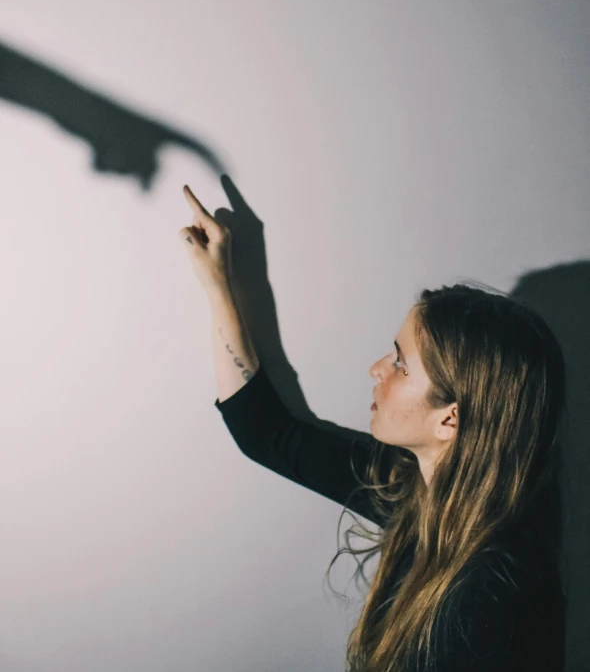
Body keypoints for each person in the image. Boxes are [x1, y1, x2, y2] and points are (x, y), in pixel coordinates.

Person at [178, 182, 567, 672]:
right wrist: (219, 286)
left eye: (401, 364)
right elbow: (267, 434)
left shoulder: (495, 600)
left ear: (451, 418)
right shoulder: (414, 487)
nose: (377, 369)